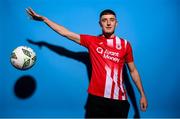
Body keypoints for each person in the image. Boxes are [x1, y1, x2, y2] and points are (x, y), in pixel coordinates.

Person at [26, 8, 148, 118]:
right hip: (96, 100)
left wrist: (142, 94)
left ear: (116, 23)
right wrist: (44, 19)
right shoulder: (92, 41)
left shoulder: (125, 45)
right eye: (104, 20)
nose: (109, 23)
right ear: (100, 24)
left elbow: (133, 71)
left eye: (112, 20)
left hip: (119, 101)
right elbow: (66, 33)